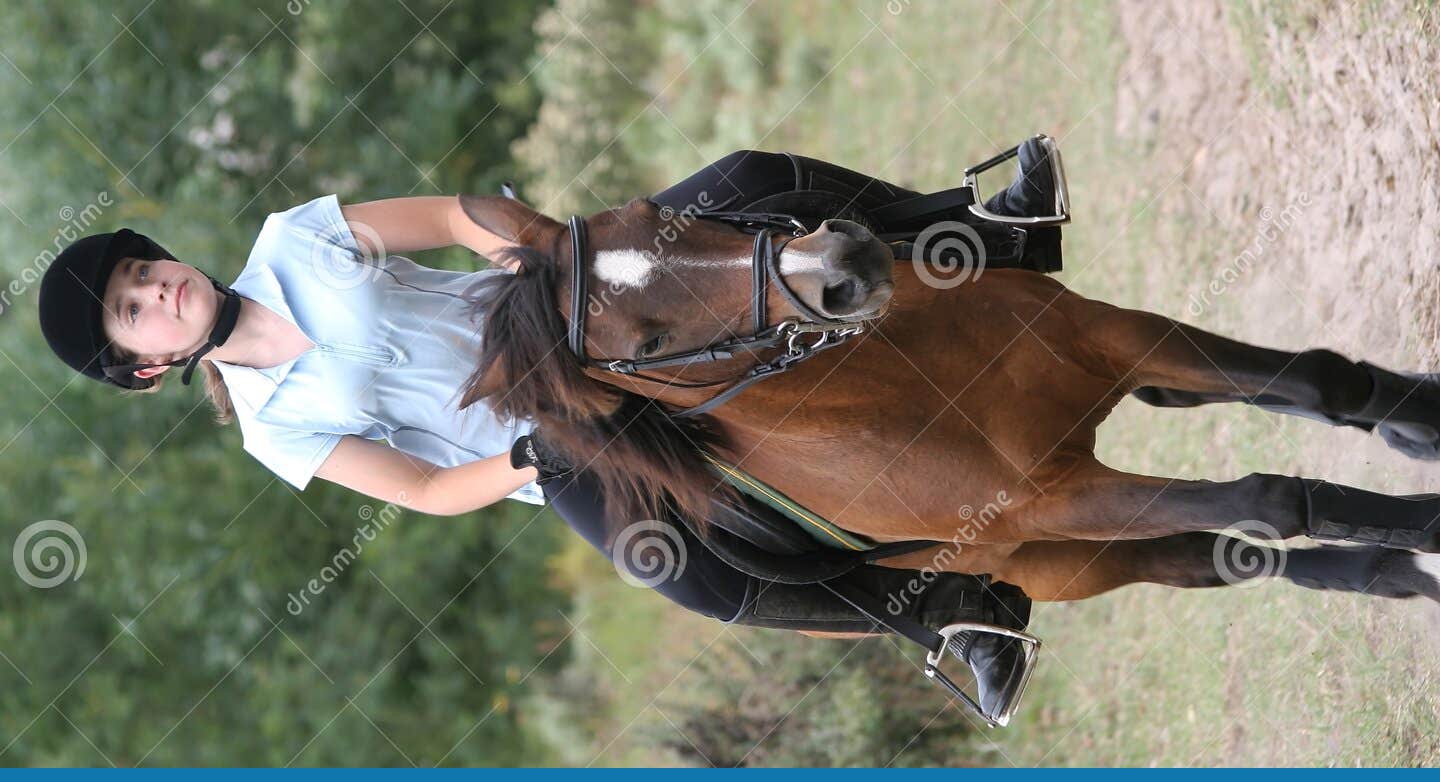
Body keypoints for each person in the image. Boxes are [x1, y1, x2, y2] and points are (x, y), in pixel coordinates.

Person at [36, 140, 1063, 723]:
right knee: (689, 574)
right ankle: (950, 615)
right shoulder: (274, 430)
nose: (156, 289)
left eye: (139, 273)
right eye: (134, 311)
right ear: (146, 369)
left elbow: (447, 217)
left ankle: (989, 229)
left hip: (555, 309)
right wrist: (528, 458)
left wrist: (533, 249)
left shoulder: (291, 240)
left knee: (745, 182)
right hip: (543, 439)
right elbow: (427, 492)